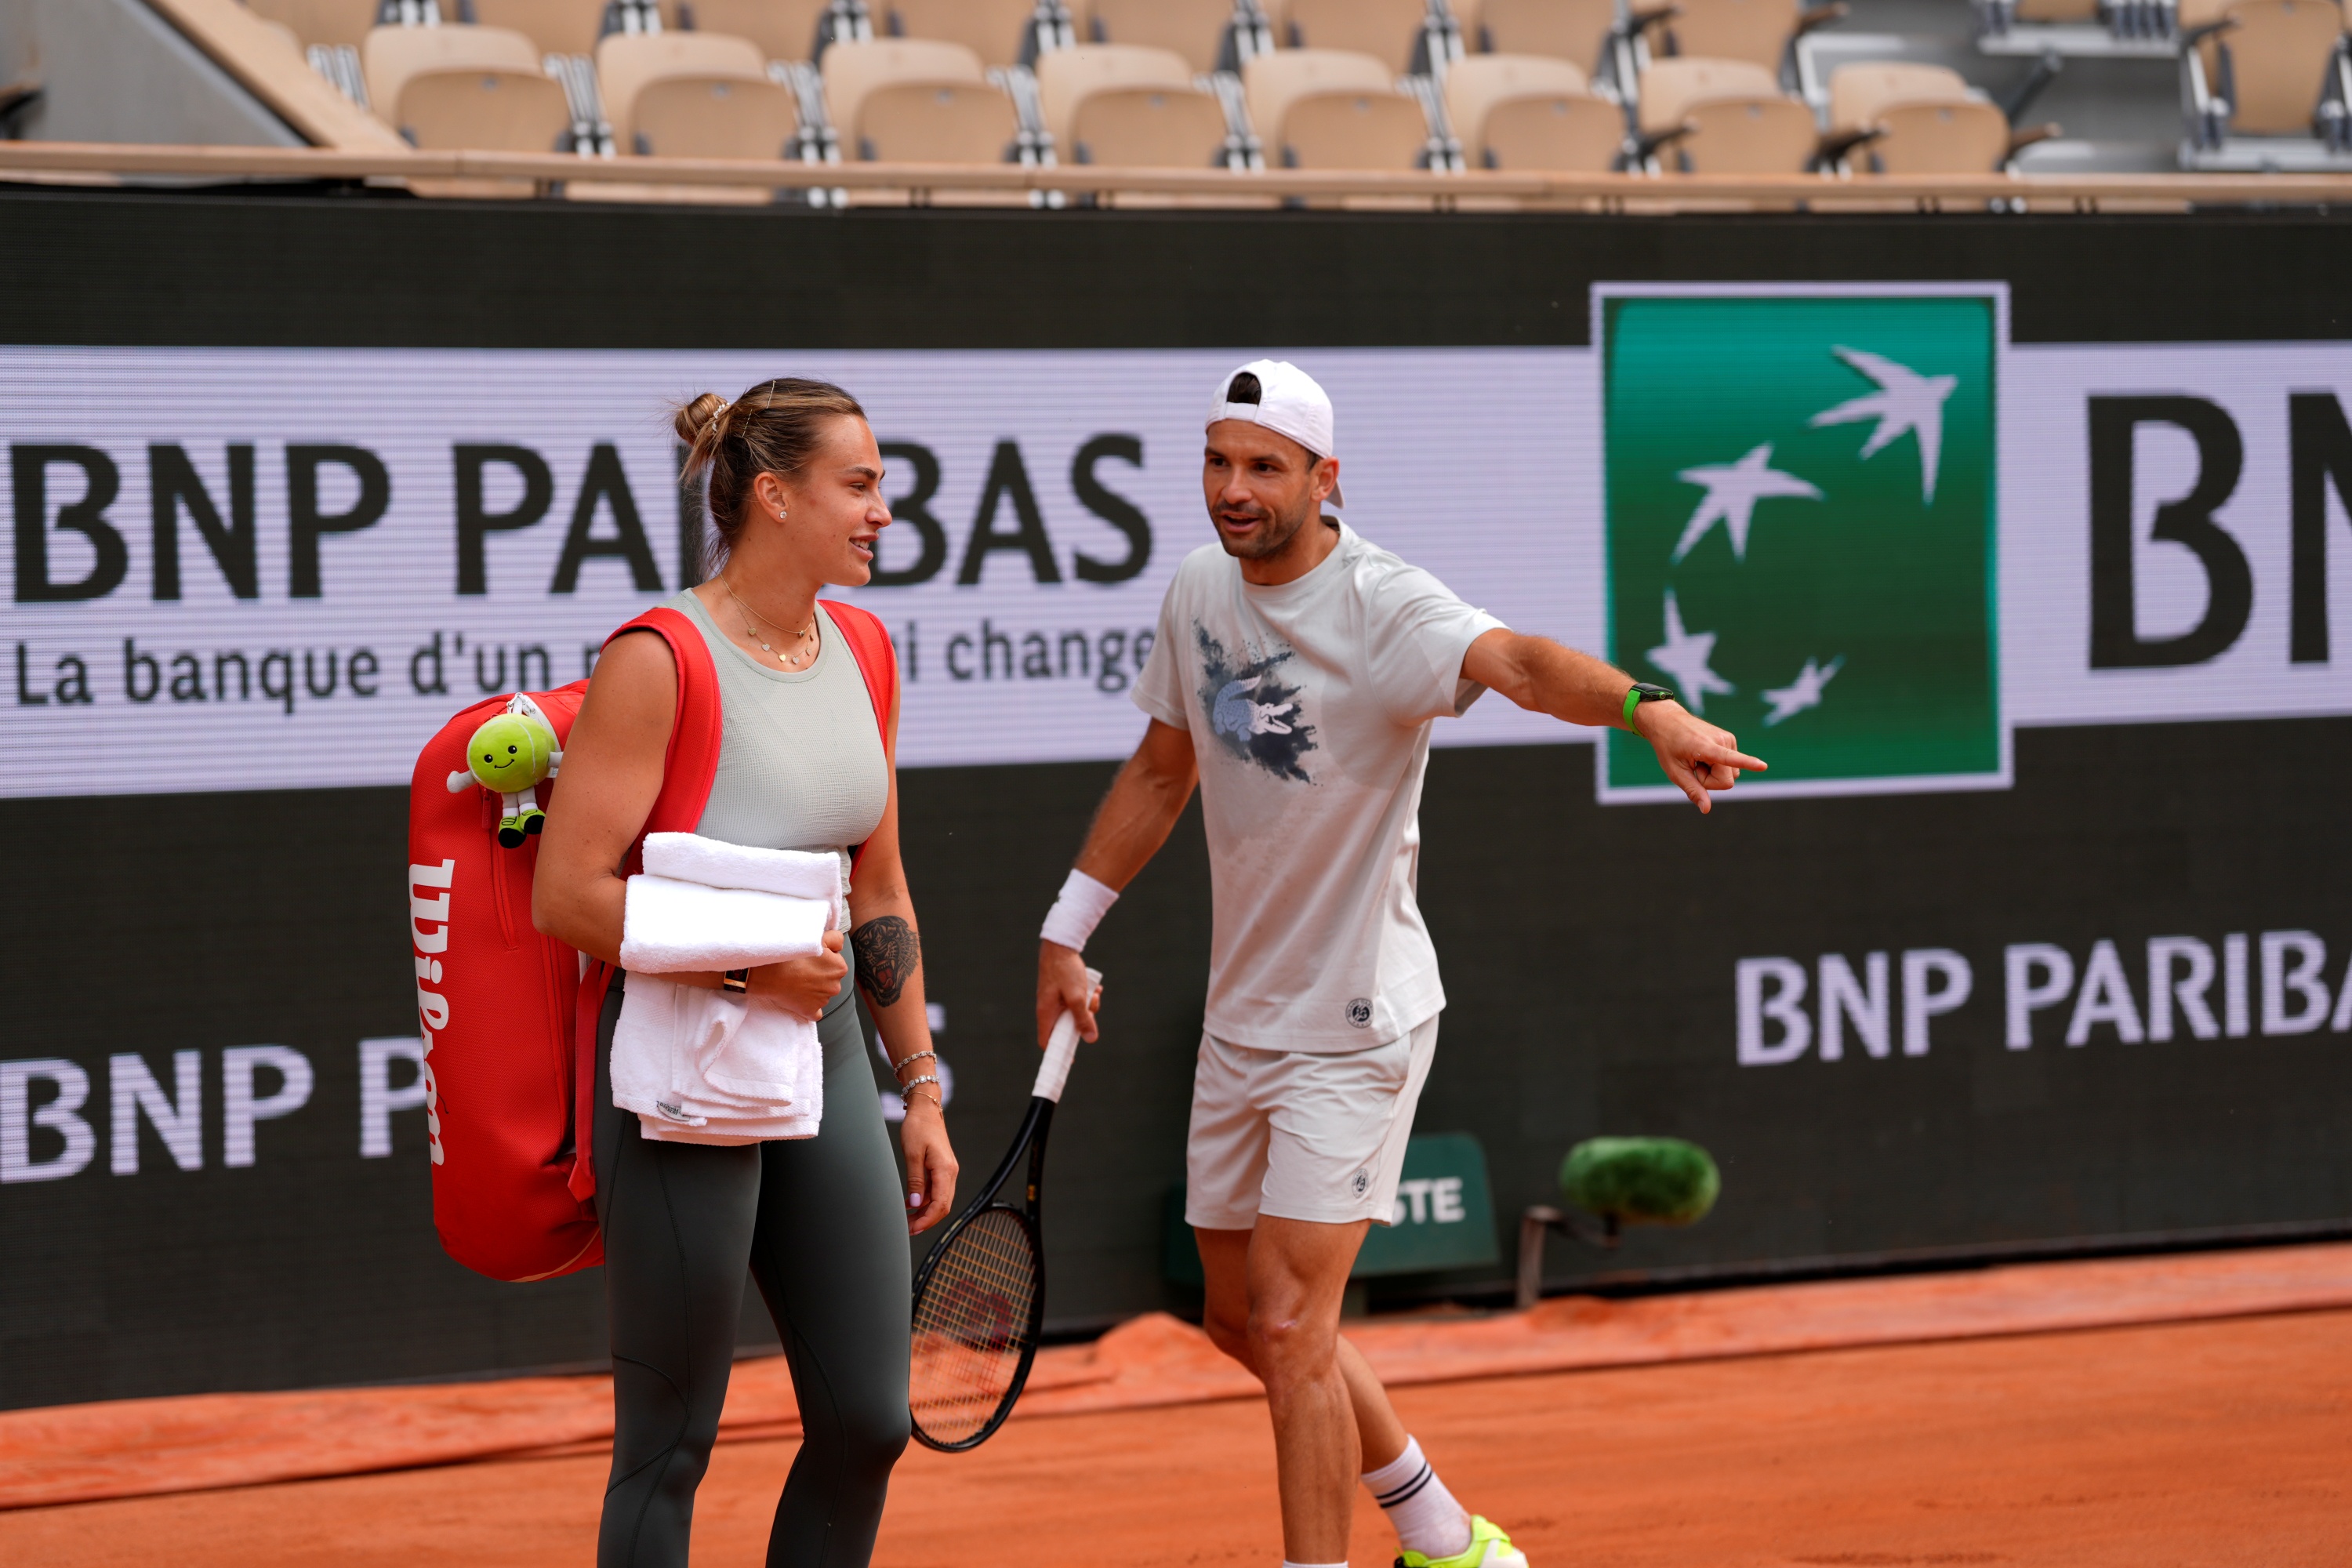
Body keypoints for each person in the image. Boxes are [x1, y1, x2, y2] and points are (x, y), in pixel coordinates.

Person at [1035, 361, 1765, 1568]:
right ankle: (1443, 1533)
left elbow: (1521, 663)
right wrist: (1067, 929)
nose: (1233, 488)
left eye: (1263, 467)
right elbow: (1163, 770)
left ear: (1325, 478)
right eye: (1218, 461)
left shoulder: (1387, 605)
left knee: (1291, 1327)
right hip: (1243, 1016)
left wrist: (1648, 708)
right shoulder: (1200, 588)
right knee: (1241, 1320)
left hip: (1358, 1021)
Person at [535, 379, 957, 1568]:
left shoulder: (864, 650)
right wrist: (749, 977)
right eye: (859, 485)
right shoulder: (658, 659)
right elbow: (568, 894)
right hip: (681, 1070)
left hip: (824, 1056)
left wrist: (921, 1086)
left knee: (870, 1420)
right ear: (774, 496)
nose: (883, 512)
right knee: (669, 1442)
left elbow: (878, 889)